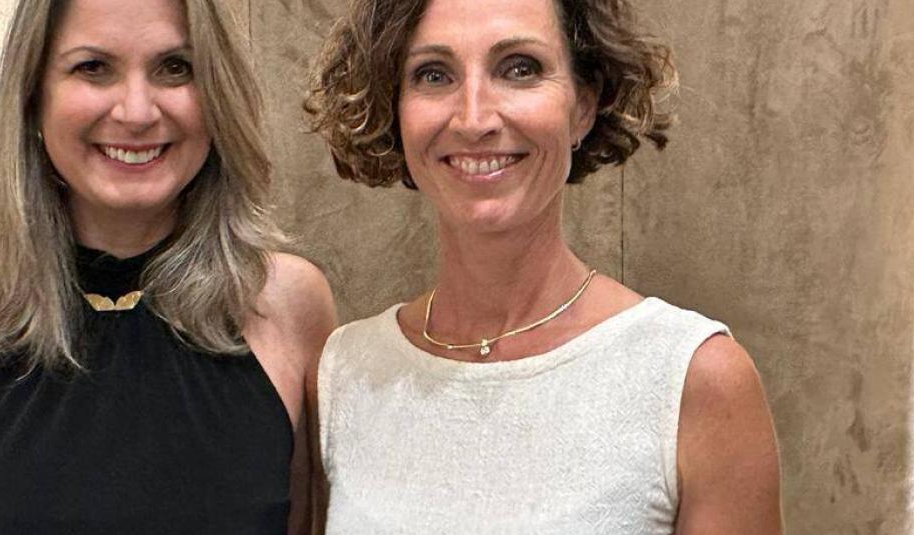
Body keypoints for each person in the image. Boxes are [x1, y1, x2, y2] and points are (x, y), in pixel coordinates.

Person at [304, 0, 780, 532]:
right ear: (393, 108)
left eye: (519, 68)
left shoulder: (692, 379)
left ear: (583, 106)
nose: (474, 119)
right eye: (433, 74)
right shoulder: (345, 374)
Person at [0, 0, 334, 532]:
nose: (136, 112)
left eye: (176, 67)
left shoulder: (287, 304)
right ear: (33, 95)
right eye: (93, 67)